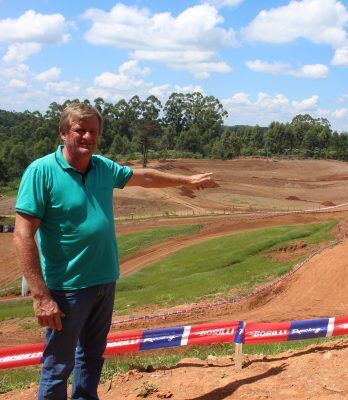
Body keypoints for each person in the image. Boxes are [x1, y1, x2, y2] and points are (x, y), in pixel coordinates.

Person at [13, 102, 215, 400]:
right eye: (80, 130)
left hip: (104, 282)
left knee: (92, 358)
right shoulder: (41, 172)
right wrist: (40, 295)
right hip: (67, 288)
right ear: (63, 132)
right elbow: (22, 234)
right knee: (58, 365)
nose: (87, 137)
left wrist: (185, 180)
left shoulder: (103, 166)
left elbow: (144, 177)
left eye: (93, 131)